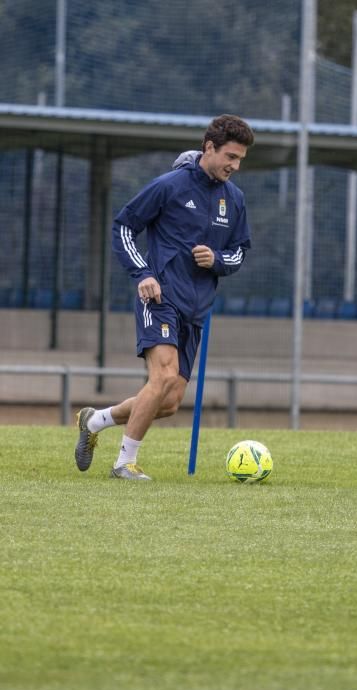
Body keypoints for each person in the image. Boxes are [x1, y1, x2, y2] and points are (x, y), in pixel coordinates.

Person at [74, 114, 255, 480]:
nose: (235, 166)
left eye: (240, 160)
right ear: (209, 148)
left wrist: (216, 260)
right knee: (162, 376)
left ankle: (96, 421)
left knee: (169, 401)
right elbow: (124, 226)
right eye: (230, 157)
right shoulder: (169, 186)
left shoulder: (234, 200)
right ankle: (124, 463)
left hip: (196, 308)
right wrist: (144, 273)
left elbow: (239, 252)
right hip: (160, 298)